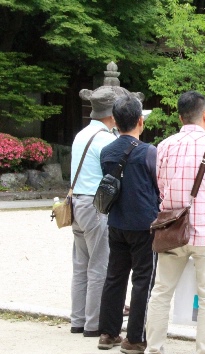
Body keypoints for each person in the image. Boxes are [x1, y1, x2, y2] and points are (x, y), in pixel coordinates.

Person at [145, 91, 205, 354]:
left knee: (161, 292)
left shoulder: (165, 146)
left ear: (180, 116)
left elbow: (161, 186)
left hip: (172, 230)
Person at [96, 95, 159, 354]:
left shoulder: (106, 151)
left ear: (116, 123)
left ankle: (108, 332)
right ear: (140, 121)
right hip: (144, 224)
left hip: (117, 220)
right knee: (144, 279)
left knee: (115, 276)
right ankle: (134, 338)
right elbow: (158, 184)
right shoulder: (148, 151)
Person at [70, 85, 133, 337]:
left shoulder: (81, 134)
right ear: (112, 114)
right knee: (99, 265)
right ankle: (94, 324)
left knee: (80, 265)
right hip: (97, 206)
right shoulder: (107, 139)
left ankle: (78, 319)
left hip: (76, 203)